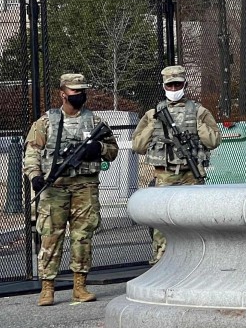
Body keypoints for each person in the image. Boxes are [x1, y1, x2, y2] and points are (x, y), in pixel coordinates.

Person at [23, 73, 119, 306]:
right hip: (54, 187)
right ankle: (47, 288)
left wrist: (97, 148)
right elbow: (32, 153)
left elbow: (112, 150)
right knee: (50, 237)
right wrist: (35, 177)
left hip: (84, 186)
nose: (80, 95)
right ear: (63, 93)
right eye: (75, 91)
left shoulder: (94, 122)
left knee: (82, 236)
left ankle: (80, 286)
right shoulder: (46, 122)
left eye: (82, 91)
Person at [133, 65, 220, 264]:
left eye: (177, 84)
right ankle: (161, 260)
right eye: (170, 85)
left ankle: (198, 259)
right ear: (164, 87)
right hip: (164, 174)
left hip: (192, 173)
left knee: (196, 219)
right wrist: (153, 125)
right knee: (162, 222)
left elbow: (213, 141)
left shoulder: (199, 111)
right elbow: (138, 145)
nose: (174, 89)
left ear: (184, 85)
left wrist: (198, 125)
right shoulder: (152, 114)